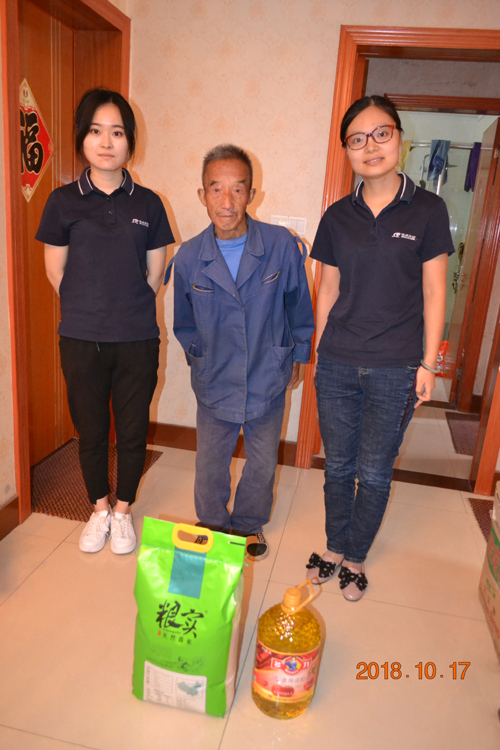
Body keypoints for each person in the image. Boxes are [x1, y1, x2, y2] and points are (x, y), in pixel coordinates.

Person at [305, 95, 454, 600]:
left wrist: (428, 363)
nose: (370, 146)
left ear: (399, 139)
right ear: (346, 150)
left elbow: (435, 290)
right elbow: (327, 289)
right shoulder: (336, 216)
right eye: (357, 139)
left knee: (373, 470)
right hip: (338, 360)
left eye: (381, 133)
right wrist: (319, 354)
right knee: (337, 465)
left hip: (396, 365)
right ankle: (333, 547)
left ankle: (356, 556)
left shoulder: (429, 209)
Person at [36, 88, 174, 555]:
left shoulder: (150, 204)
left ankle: (123, 511)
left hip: (137, 338)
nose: (107, 142)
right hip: (80, 338)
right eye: (96, 131)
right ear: (82, 137)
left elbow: (155, 275)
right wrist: (89, 308)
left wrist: (123, 308)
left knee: (133, 431)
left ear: (130, 140)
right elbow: (56, 272)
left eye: (117, 132)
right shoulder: (62, 202)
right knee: (91, 431)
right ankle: (98, 508)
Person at [170, 144, 314, 560]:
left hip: (267, 372)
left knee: (263, 460)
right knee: (210, 462)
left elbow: (298, 304)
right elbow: (184, 322)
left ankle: (249, 524)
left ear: (253, 194)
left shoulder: (280, 245)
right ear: (202, 195)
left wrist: (298, 354)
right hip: (214, 377)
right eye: (216, 189)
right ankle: (213, 523)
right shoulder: (189, 256)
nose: (227, 201)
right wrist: (199, 357)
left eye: (238, 189)